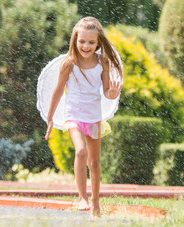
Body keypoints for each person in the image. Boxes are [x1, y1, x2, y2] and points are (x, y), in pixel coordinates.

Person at [44, 17, 123, 218]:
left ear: (98, 43)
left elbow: (106, 90)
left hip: (94, 117)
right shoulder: (69, 63)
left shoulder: (102, 61)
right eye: (81, 41)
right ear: (75, 40)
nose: (85, 46)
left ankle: (95, 202)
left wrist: (112, 94)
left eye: (90, 42)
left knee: (94, 163)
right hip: (73, 117)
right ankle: (82, 197)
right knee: (81, 151)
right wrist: (51, 117)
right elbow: (58, 90)